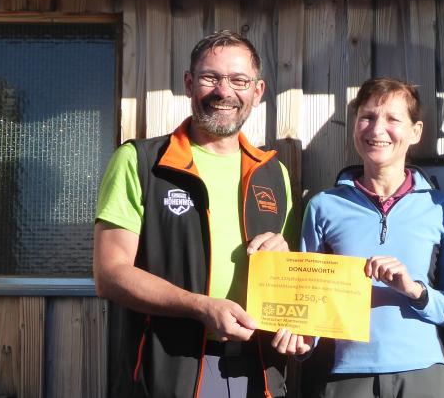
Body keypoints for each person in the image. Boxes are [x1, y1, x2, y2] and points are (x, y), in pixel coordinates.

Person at [94, 30, 310, 398]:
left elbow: (286, 276)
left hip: (258, 371)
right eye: (211, 77)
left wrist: (297, 322)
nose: (224, 91)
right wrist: (201, 307)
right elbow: (110, 274)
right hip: (169, 371)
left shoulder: (274, 174)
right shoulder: (142, 162)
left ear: (257, 92)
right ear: (190, 83)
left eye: (239, 80)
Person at [299, 77, 444, 398]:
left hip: (425, 373)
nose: (377, 130)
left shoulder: (441, 208)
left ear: (415, 131)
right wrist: (304, 340)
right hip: (345, 376)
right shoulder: (323, 207)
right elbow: (308, 305)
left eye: (393, 119)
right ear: (354, 127)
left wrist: (415, 291)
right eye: (367, 117)